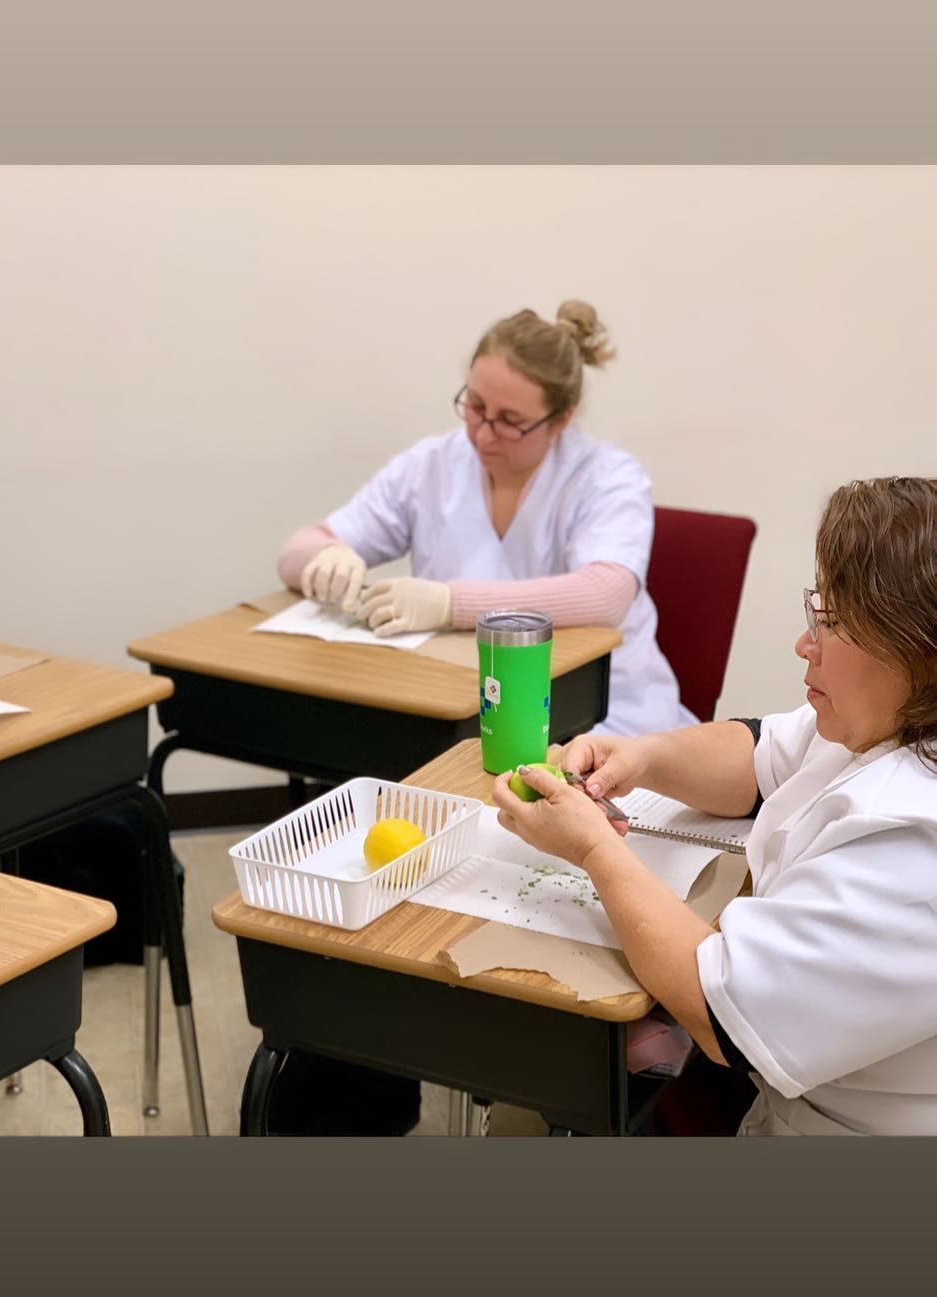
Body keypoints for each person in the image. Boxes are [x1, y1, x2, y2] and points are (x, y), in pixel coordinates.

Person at [493, 476, 937, 1136]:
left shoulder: (910, 843)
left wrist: (594, 848)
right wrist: (640, 758)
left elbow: (716, 1010)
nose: (804, 643)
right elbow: (762, 754)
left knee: (533, 1114)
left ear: (917, 652)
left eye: (834, 623)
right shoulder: (887, 721)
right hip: (786, 1085)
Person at [277, 301, 693, 736]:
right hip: (465, 706)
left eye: (511, 421)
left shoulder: (605, 478)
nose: (482, 433)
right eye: (475, 406)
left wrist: (449, 604)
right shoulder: (432, 466)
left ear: (561, 419)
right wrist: (325, 556)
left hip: (599, 717)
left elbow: (606, 594)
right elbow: (300, 548)